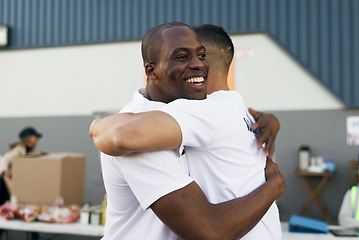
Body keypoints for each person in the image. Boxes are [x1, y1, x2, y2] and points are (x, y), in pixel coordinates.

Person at [90, 23, 282, 239]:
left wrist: (270, 120)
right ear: (151, 70)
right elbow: (209, 231)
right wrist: (274, 186)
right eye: (182, 57)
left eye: (201, 55)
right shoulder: (140, 129)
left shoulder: (192, 113)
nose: (198, 64)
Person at [0, 127, 43, 203]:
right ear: (28, 138)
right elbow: (5, 159)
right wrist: (5, 170)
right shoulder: (18, 150)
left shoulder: (33, 152)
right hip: (12, 178)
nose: (36, 140)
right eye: (35, 137)